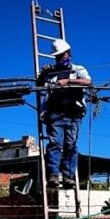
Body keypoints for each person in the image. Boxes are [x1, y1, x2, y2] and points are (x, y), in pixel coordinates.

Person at [38, 39, 92, 188]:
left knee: (71, 145)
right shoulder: (51, 73)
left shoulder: (78, 69)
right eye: (57, 56)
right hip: (55, 114)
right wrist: (43, 73)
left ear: (68, 54)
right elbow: (39, 84)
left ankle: (68, 176)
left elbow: (88, 82)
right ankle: (54, 175)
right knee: (55, 144)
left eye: (62, 55)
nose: (60, 58)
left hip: (73, 114)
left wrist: (67, 81)